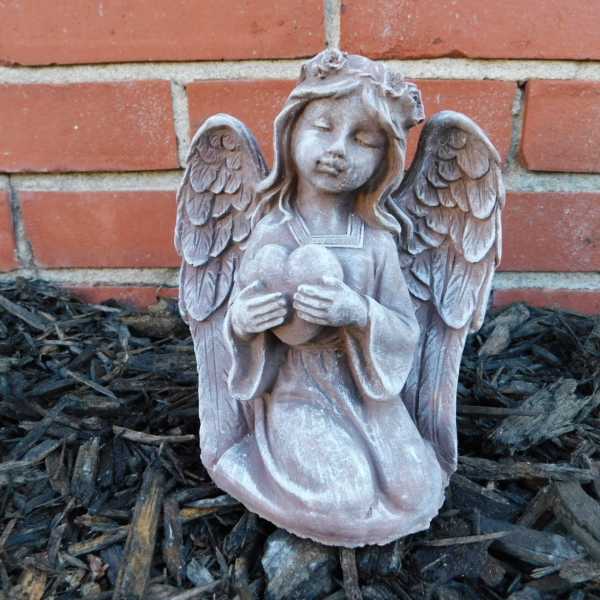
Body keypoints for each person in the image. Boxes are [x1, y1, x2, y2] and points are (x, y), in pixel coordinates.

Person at [211, 50, 446, 546]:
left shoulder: (376, 242)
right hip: (296, 393)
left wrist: (357, 312)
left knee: (417, 490)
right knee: (345, 499)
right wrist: (245, 323)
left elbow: (407, 330)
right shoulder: (271, 232)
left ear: (384, 160)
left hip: (365, 393)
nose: (338, 149)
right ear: (291, 131)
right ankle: (239, 464)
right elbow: (237, 319)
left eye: (363, 140)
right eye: (323, 127)